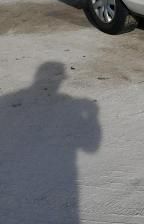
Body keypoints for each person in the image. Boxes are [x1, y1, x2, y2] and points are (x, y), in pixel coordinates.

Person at [0, 61, 101, 224]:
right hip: (57, 177)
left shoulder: (7, 99)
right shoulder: (70, 105)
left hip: (12, 182)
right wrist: (93, 115)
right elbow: (91, 146)